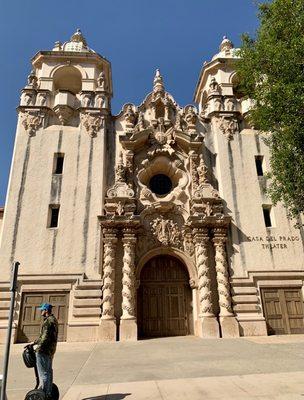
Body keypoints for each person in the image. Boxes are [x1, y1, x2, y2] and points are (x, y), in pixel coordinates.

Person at [33, 303, 58, 399]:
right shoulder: (53, 320)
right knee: (48, 372)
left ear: (46, 311)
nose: (41, 311)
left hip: (44, 350)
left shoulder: (48, 321)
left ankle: (43, 394)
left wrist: (38, 347)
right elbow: (45, 336)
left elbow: (45, 337)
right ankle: (49, 392)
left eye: (42, 310)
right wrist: (35, 342)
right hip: (50, 350)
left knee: (43, 374)